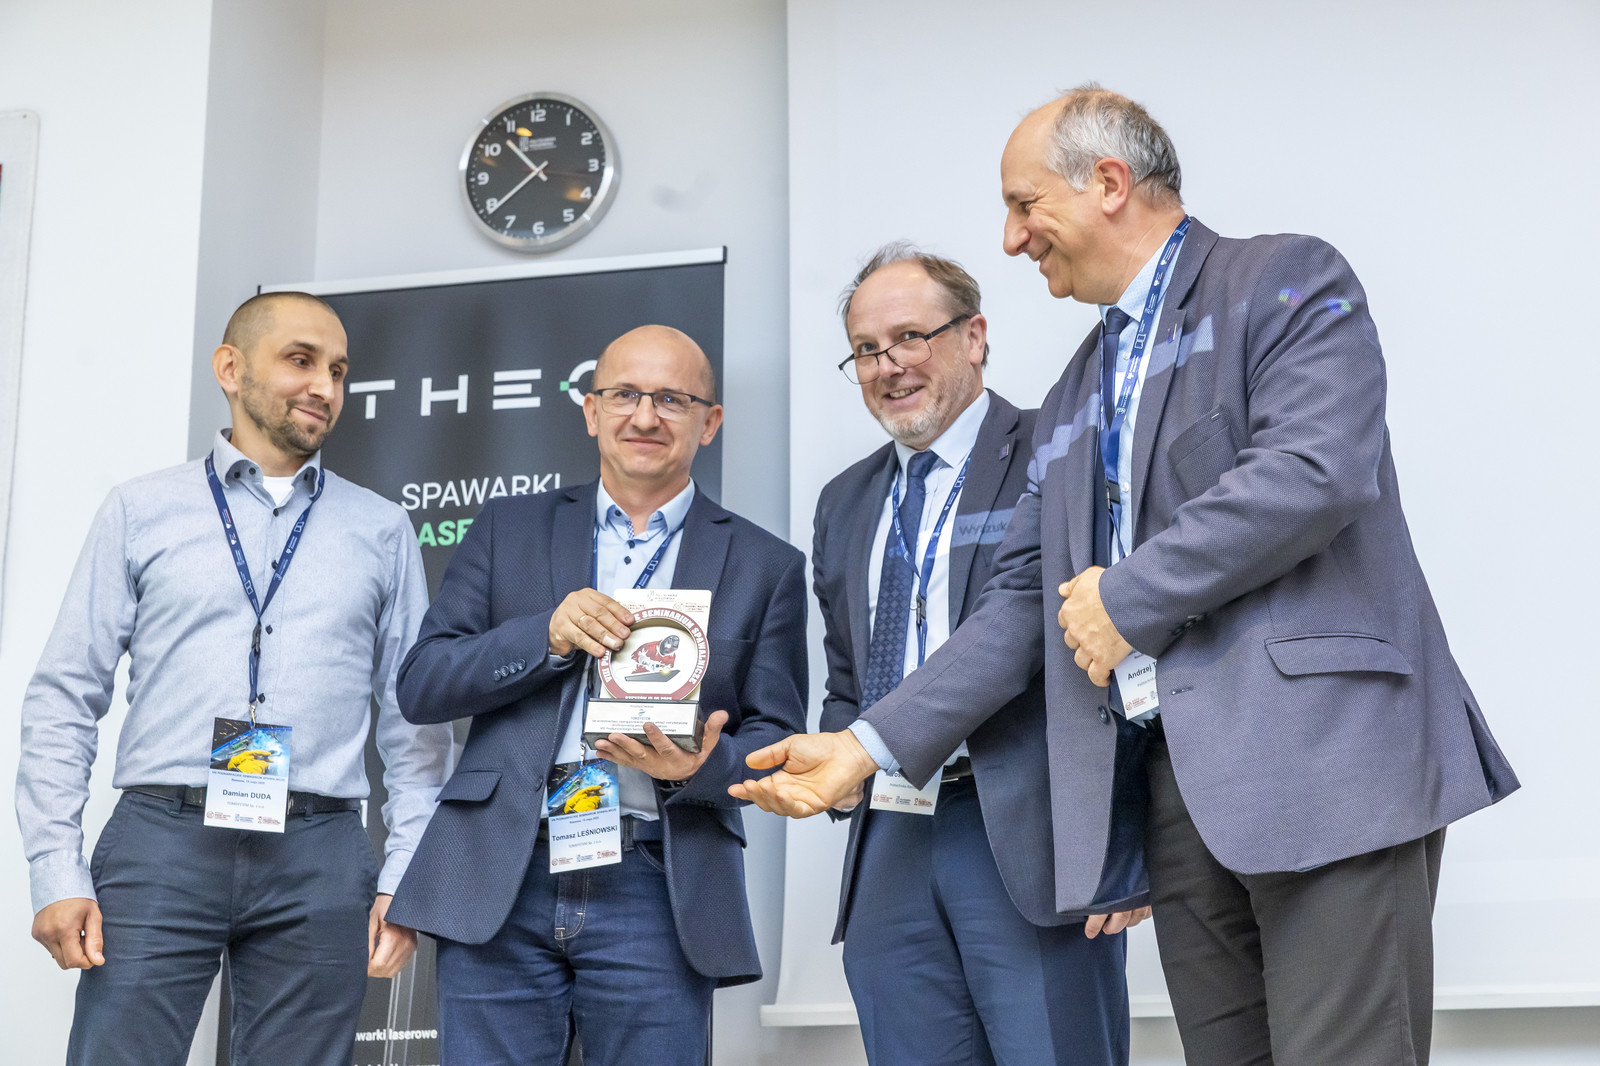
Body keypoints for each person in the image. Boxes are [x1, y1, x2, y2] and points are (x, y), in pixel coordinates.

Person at [733, 85, 1520, 1066]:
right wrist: (864, 746)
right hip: (1177, 796)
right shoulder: (1075, 388)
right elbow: (1019, 603)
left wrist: (1124, 597)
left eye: (1024, 205)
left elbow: (1313, 470)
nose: (1012, 239)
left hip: (1321, 763)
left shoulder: (1283, 278)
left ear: (1108, 182)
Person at [16, 291, 454, 1066]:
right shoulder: (141, 509)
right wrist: (56, 871)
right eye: (300, 360)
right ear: (230, 368)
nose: (324, 386)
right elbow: (64, 694)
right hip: (162, 839)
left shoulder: (382, 528)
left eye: (338, 370)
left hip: (320, 849)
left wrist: (406, 875)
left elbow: (414, 723)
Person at [386, 325, 808, 1066]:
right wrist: (545, 636)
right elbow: (423, 685)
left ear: (709, 421)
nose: (645, 416)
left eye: (672, 399)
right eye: (624, 395)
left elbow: (778, 742)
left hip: (656, 879)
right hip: (502, 871)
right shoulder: (508, 528)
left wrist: (700, 767)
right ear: (590, 410)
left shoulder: (765, 563)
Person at [815, 242, 1138, 1065]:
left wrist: (1128, 840)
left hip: (1028, 834)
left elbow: (1120, 647)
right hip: (890, 835)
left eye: (910, 337)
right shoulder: (842, 501)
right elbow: (847, 674)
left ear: (974, 336)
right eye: (866, 350)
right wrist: (835, 766)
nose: (889, 366)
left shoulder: (1057, 450)